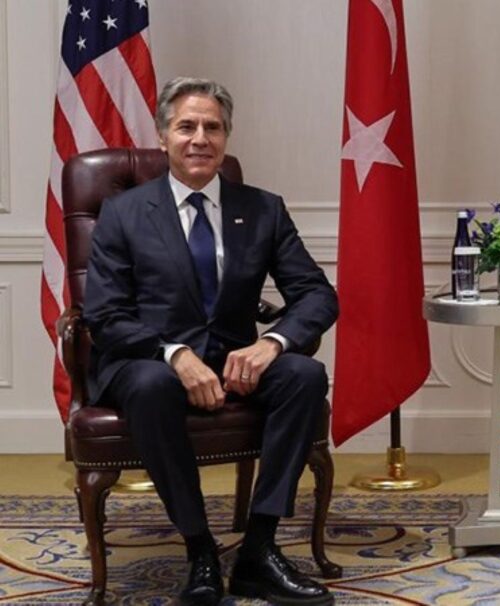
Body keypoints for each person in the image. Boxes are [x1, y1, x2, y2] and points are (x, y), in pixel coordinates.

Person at [83, 77, 338, 606]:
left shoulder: (262, 209)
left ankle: (259, 549)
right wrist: (175, 354)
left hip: (233, 360)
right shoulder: (124, 212)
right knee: (153, 384)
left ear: (226, 137)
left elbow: (317, 294)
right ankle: (199, 549)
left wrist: (273, 343)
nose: (200, 138)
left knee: (304, 374)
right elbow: (105, 315)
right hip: (146, 361)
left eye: (212, 128)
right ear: (163, 136)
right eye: (186, 127)